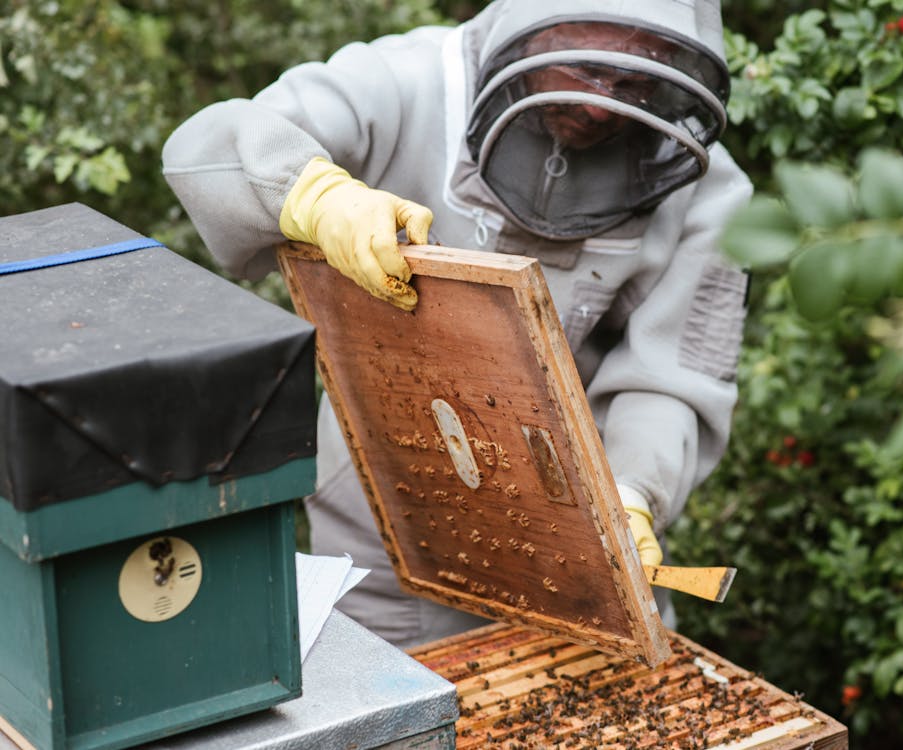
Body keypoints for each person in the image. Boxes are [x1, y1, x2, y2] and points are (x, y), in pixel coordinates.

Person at [163, 0, 753, 649]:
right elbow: (209, 141)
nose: (600, 105)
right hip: (385, 526)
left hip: (581, 539)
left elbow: (671, 379)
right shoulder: (405, 83)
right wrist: (316, 197)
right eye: (584, 69)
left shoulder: (704, 188)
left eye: (636, 80)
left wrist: (635, 490)